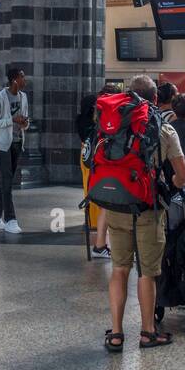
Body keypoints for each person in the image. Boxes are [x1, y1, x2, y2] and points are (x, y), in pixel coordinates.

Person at [103, 74, 185, 352]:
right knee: (147, 273)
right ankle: (147, 332)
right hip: (148, 209)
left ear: (129, 95)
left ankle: (116, 334)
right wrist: (171, 187)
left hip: (116, 207)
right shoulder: (164, 130)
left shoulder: (112, 126)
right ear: (155, 99)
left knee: (119, 269)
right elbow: (183, 174)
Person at [0, 67, 29, 233]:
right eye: (22, 77)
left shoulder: (23, 97)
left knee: (7, 180)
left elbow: (25, 119)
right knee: (7, 179)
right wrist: (11, 120)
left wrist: (25, 123)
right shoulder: (1, 97)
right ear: (14, 80)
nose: (25, 80)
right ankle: (10, 219)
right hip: (3, 144)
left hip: (18, 142)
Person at [77, 90, 111, 259]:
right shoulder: (101, 124)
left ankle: (91, 220)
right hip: (96, 157)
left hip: (85, 153)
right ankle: (97, 228)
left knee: (89, 187)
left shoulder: (83, 120)